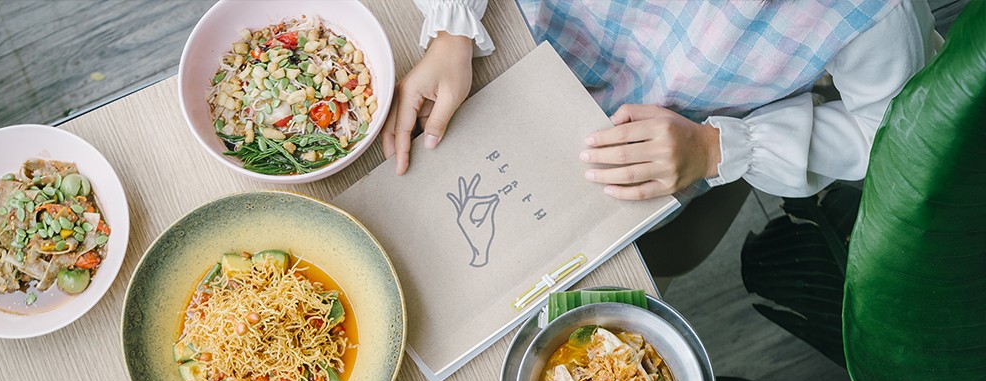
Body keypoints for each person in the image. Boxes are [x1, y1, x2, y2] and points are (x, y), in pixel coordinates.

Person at [383, 0, 938, 201]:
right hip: (496, 43)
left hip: (644, 161)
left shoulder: (881, 15)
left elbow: (894, 134)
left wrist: (715, 148)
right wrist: (452, 26)